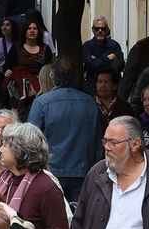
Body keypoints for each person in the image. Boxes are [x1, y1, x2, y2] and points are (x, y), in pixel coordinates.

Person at [26, 65, 100, 201]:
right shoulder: (89, 102)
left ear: (52, 77)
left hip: (50, 171)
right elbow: (96, 141)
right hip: (82, 172)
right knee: (80, 217)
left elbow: (30, 141)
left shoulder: (41, 102)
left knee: (54, 217)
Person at [0, 122, 70, 229]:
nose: (0, 149)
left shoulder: (45, 187)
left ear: (20, 150)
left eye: (5, 145)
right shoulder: (5, 177)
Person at [81, 17, 124, 83]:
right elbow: (91, 65)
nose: (100, 31)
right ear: (93, 30)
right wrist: (108, 58)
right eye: (97, 29)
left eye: (103, 29)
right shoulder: (87, 46)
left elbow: (119, 65)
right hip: (92, 84)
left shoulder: (114, 45)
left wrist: (97, 61)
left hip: (112, 85)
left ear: (107, 30)